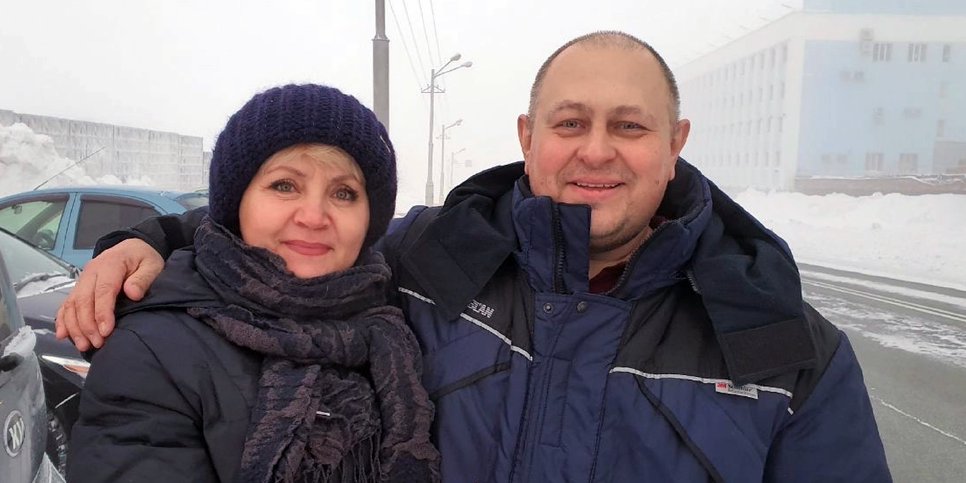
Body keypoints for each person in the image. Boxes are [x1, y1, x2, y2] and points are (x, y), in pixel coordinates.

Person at [59, 31, 891, 482]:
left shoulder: (780, 346)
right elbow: (291, 236)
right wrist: (151, 239)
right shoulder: (439, 255)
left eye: (629, 126)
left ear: (674, 145)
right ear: (529, 139)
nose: (595, 150)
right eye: (569, 123)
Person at [65, 84, 440, 482]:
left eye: (344, 193)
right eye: (284, 185)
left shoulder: (390, 326)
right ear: (237, 200)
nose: (314, 216)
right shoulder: (153, 349)